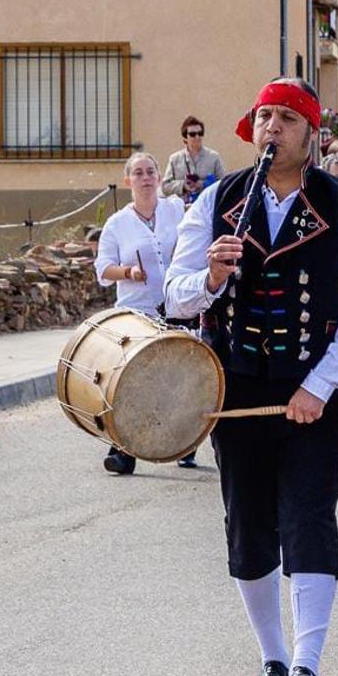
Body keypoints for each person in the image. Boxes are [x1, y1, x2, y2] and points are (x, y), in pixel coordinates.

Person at [164, 78, 338, 676]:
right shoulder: (217, 199)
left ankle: (310, 664)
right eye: (264, 117)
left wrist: (320, 387)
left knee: (310, 519)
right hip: (236, 391)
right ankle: (274, 660)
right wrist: (211, 275)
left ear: (310, 136)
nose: (272, 129)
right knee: (249, 526)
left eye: (286, 119)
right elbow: (176, 296)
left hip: (314, 392)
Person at [94, 152, 195, 472]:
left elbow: (194, 242)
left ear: (159, 178)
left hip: (176, 307)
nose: (146, 178)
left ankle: (186, 443)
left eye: (151, 171)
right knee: (131, 381)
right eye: (138, 173)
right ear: (128, 181)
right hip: (136, 312)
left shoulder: (176, 210)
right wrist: (128, 273)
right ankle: (123, 450)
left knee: (180, 377)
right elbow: (102, 269)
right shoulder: (117, 224)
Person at [162, 116, 226, 205]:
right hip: (183, 208)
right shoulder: (175, 159)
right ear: (185, 138)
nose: (197, 137)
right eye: (192, 134)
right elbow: (165, 187)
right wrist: (184, 186)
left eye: (200, 133)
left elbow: (224, 183)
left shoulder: (214, 157)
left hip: (206, 206)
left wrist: (204, 184)